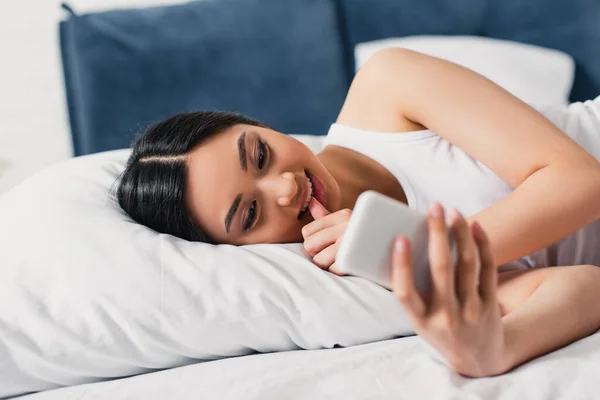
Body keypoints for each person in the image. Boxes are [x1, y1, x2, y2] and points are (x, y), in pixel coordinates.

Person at [116, 48, 600, 377]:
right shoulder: (354, 266)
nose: (285, 188)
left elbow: (581, 180)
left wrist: (427, 251)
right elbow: (583, 285)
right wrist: (493, 349)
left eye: (260, 155)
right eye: (249, 215)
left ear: (258, 124)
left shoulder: (387, 89)